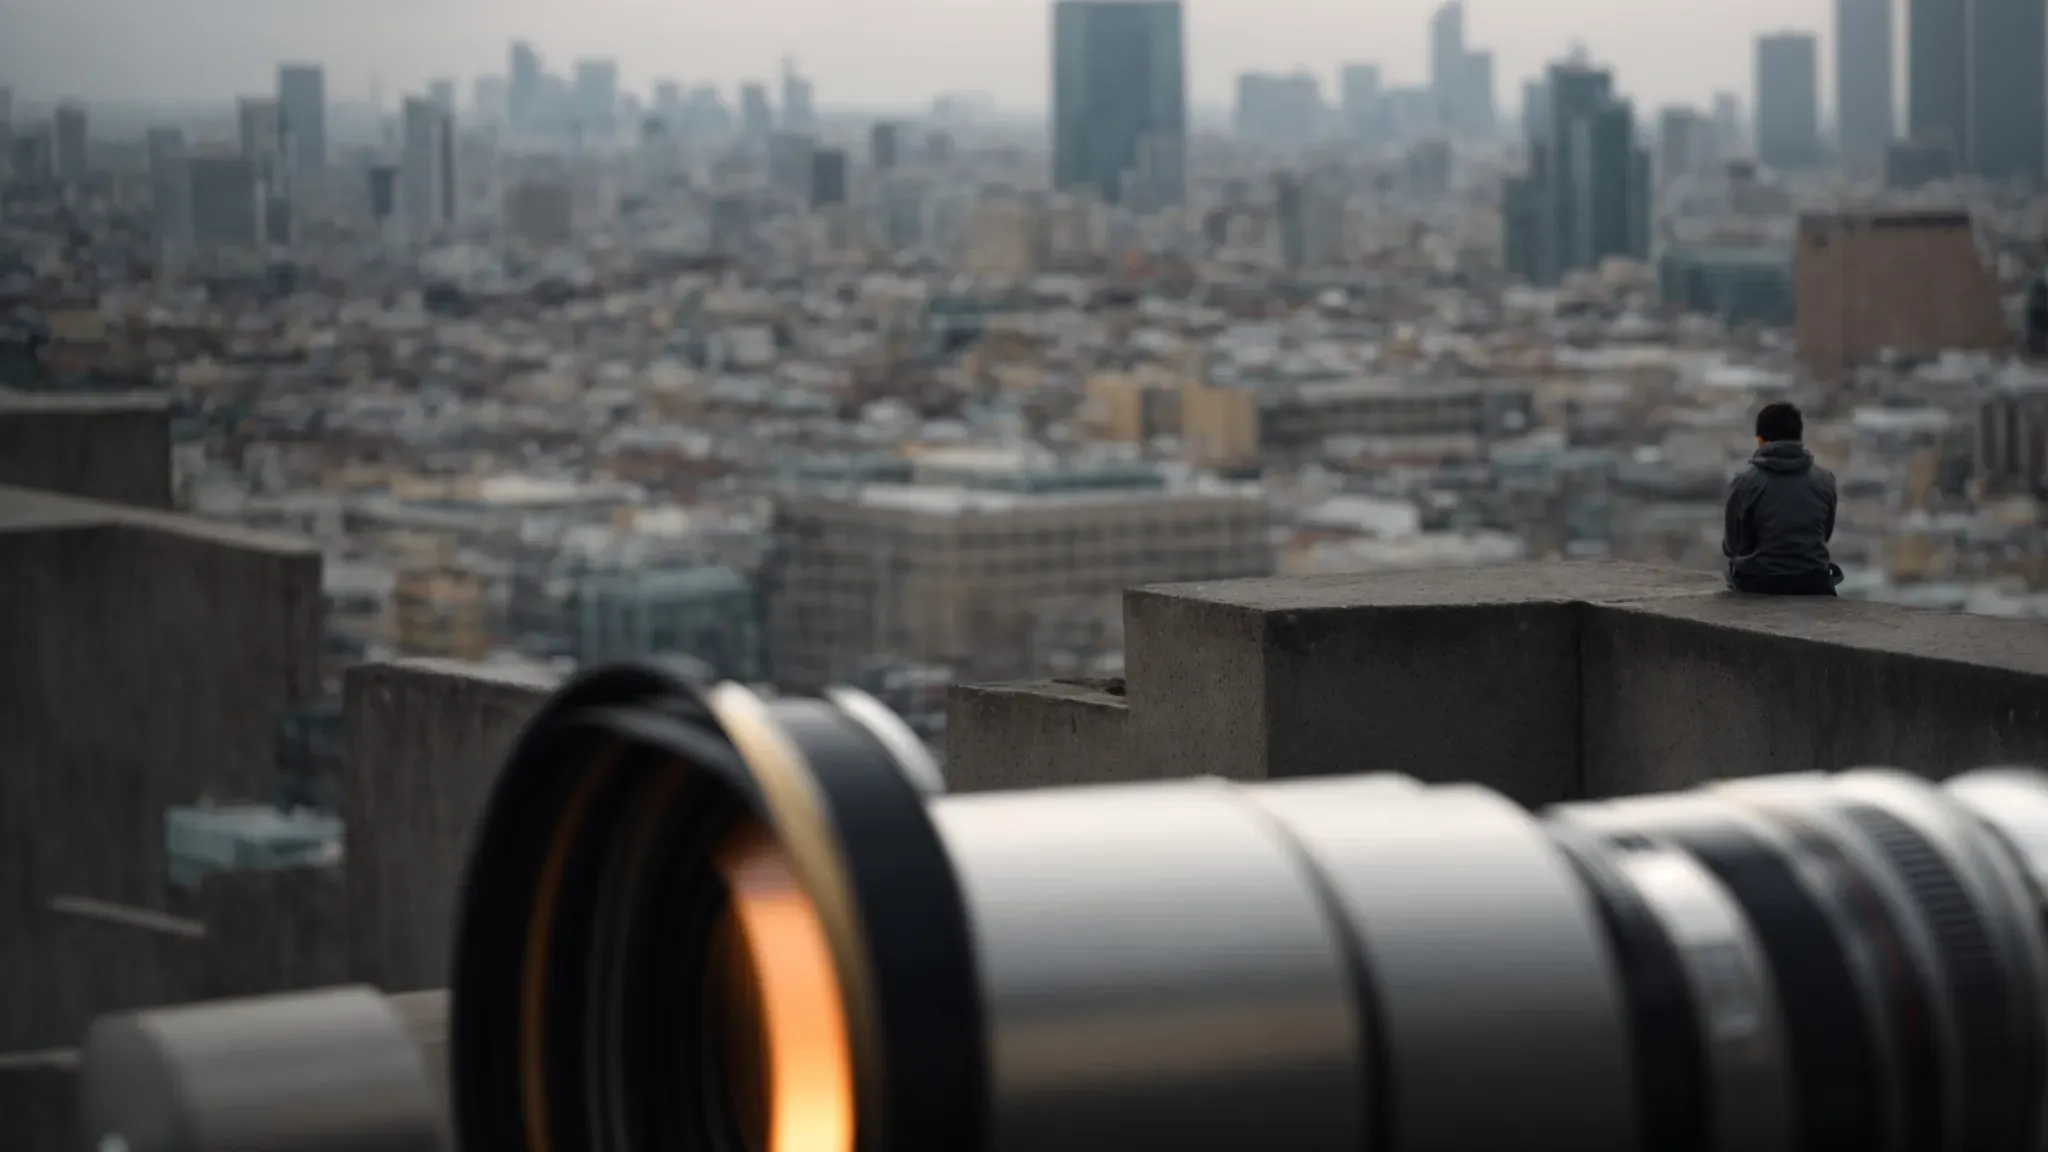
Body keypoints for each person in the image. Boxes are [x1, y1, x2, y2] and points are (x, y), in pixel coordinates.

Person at [1722, 401, 1840, 596]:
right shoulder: (1825, 480)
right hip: (1814, 581)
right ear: (1799, 438)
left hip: (1759, 582)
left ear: (1760, 440)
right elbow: (1824, 534)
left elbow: (1732, 546)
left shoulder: (1746, 482)